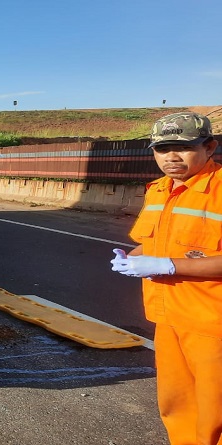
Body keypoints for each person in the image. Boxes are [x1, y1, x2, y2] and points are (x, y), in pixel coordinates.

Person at [110, 111, 222, 445]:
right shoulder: (159, 190)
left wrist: (168, 265)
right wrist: (135, 258)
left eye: (183, 147)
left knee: (216, 409)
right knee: (177, 404)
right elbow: (163, 243)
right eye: (162, 149)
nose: (171, 157)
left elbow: (174, 257)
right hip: (168, 318)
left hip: (212, 324)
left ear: (210, 147)